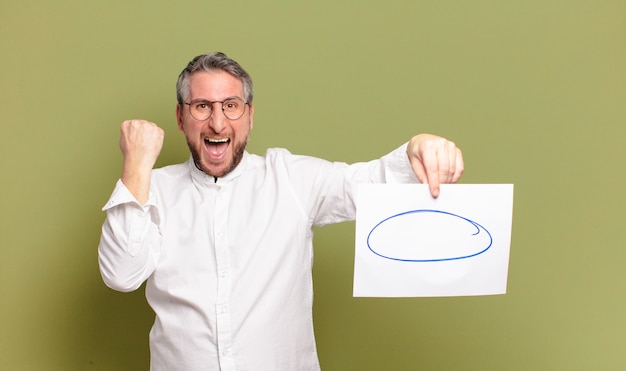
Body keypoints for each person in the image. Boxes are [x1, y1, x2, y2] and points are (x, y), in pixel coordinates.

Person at [98, 51, 464, 371]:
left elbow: (368, 182)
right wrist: (137, 163)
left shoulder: (291, 178)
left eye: (231, 105)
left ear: (249, 115)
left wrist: (416, 147)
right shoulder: (152, 188)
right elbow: (122, 274)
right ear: (181, 118)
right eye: (202, 106)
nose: (218, 122)